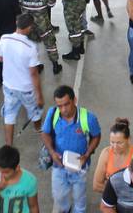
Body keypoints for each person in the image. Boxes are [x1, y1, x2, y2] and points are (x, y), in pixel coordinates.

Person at [41, 85, 102, 213]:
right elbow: (45, 133)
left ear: (74, 100)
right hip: (59, 166)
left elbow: (96, 136)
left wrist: (86, 154)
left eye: (66, 104)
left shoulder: (88, 118)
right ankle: (66, 209)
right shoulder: (52, 114)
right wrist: (52, 153)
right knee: (59, 196)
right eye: (59, 106)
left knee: (79, 199)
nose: (63, 109)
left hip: (80, 167)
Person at [0, 13, 45, 146]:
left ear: (17, 23)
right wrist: (39, 96)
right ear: (29, 27)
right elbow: (34, 74)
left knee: (9, 114)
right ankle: (38, 129)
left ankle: (9, 145)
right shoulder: (31, 47)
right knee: (34, 111)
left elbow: (0, 58)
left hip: (8, 85)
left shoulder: (4, 38)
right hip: (26, 89)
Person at [15, 0, 62, 74]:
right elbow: (51, 4)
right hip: (43, 22)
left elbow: (16, 2)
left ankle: (35, 66)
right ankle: (55, 65)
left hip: (27, 23)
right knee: (49, 42)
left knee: (30, 44)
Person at [0, 145, 39, 213]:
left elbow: (33, 206)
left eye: (5, 172)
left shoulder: (30, 180)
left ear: (17, 168)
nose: (0, 175)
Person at [93, 119, 133, 193]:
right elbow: (96, 185)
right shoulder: (106, 153)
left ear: (128, 139)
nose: (115, 147)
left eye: (119, 143)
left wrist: (110, 187)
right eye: (112, 142)